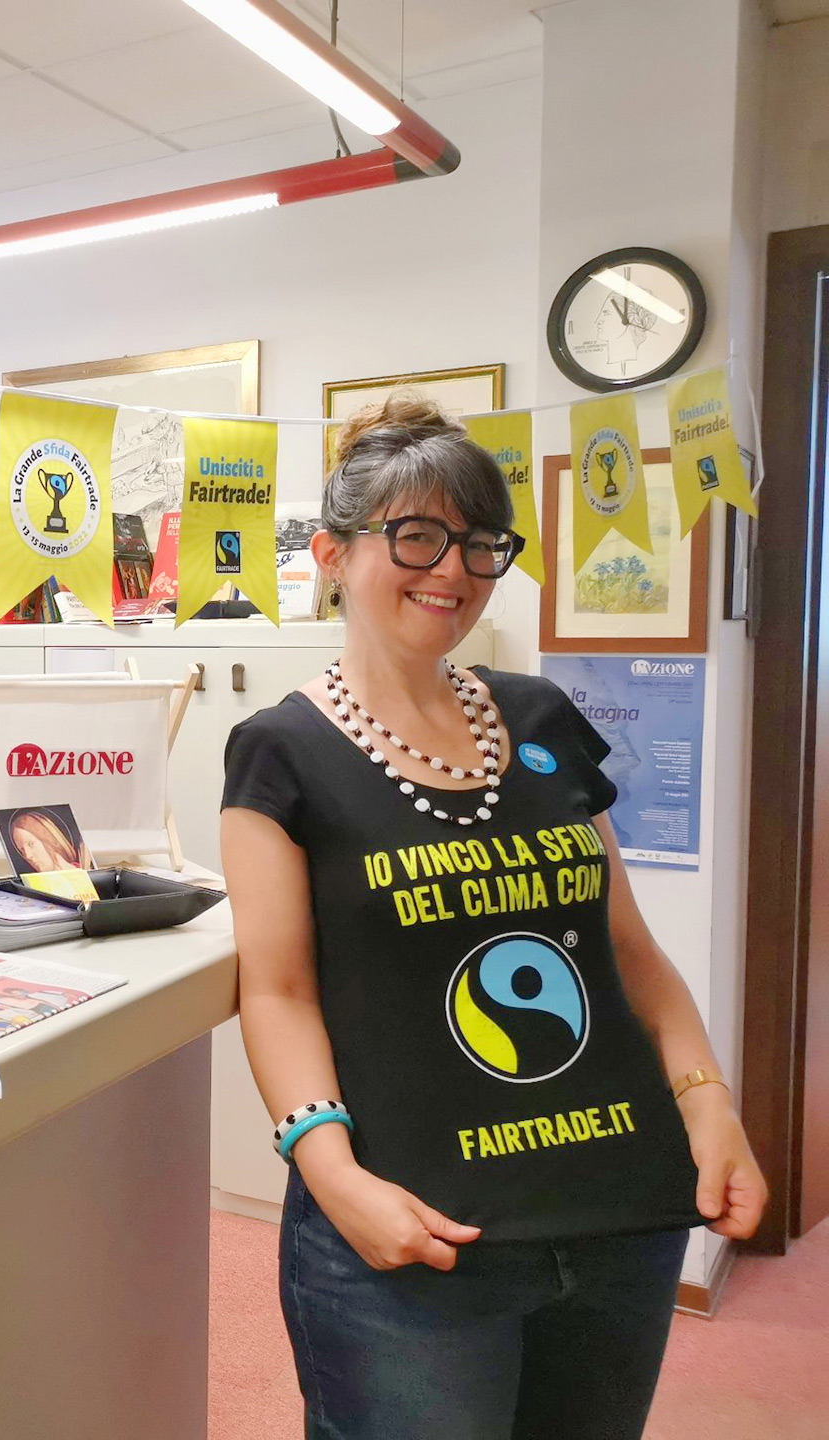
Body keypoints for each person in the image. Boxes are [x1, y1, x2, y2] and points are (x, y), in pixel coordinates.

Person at [220, 395, 764, 1438]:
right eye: (416, 535)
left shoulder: (541, 713)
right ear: (333, 554)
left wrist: (709, 1104)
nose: (454, 569)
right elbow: (278, 991)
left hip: (617, 1212)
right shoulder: (279, 751)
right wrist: (333, 1177)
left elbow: (626, 950)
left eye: (480, 543)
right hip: (417, 1233)